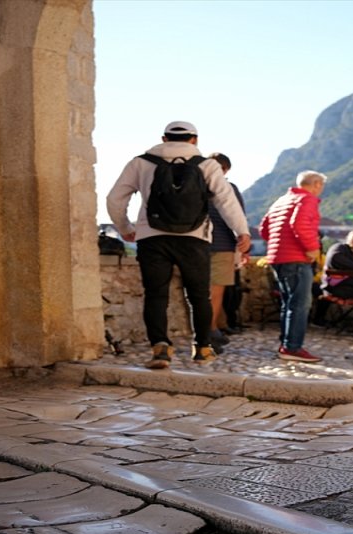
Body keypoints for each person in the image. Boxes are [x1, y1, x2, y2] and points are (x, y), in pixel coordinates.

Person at [106, 121, 250, 369]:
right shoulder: (207, 165)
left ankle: (160, 347)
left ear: (164, 138)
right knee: (199, 296)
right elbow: (226, 201)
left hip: (152, 237)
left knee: (156, 295)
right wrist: (242, 231)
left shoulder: (140, 163)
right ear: (194, 139)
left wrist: (126, 228)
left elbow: (115, 198)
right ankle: (203, 348)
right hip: (195, 238)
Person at [260, 170, 326, 363]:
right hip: (296, 259)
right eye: (321, 186)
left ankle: (286, 344)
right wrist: (312, 248)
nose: (321, 190)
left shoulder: (281, 200)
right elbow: (299, 224)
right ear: (315, 184)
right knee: (300, 304)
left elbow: (265, 229)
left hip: (277, 258)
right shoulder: (307, 200)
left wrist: (280, 245)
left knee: (288, 303)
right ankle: (293, 348)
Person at [205, 153, 243, 352]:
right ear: (226, 170)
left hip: (196, 244)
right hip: (221, 245)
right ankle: (210, 332)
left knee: (199, 293)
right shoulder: (229, 188)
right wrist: (242, 241)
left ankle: (212, 330)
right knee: (216, 293)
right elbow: (237, 217)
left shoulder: (195, 186)